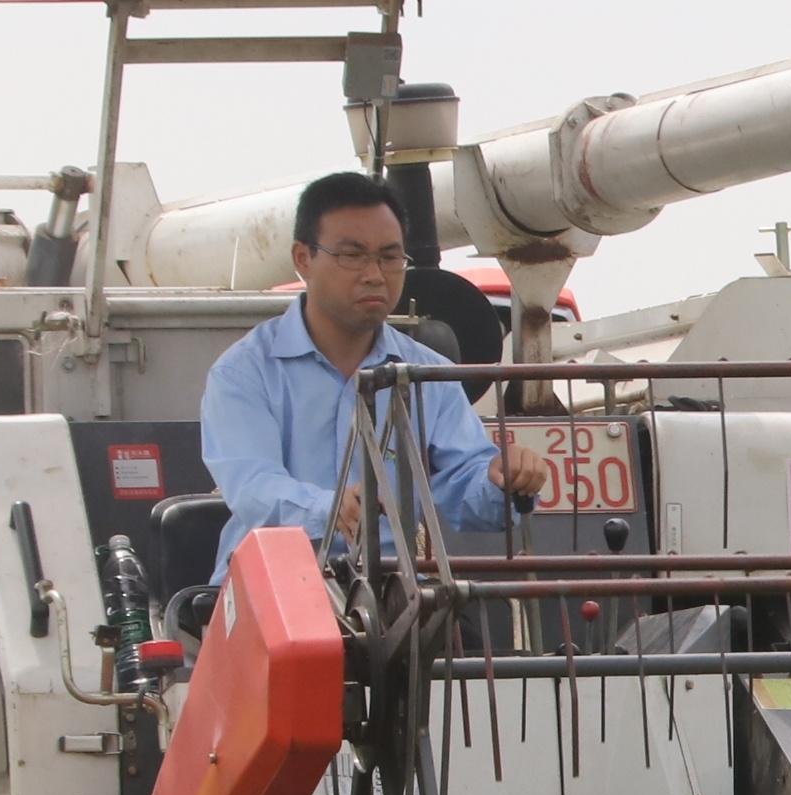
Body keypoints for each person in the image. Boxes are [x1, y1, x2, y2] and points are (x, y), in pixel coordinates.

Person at [198, 171, 548, 576]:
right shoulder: (244, 372)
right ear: (302, 259)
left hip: (392, 595)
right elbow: (252, 486)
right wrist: (330, 509)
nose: (374, 274)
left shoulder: (427, 374)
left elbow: (467, 487)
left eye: (389, 256)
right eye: (352, 255)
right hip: (273, 593)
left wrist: (503, 482)